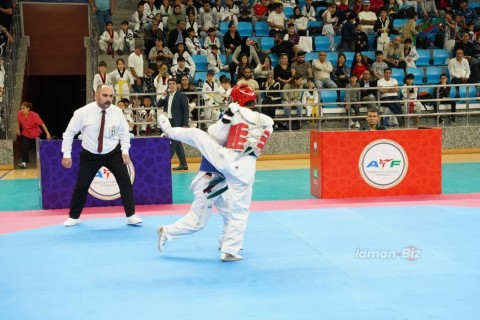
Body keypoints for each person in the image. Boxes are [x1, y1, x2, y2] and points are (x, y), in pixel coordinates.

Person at [156, 84, 274, 262]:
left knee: (198, 135)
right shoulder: (267, 123)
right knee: (238, 212)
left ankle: (168, 130)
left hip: (225, 163)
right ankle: (229, 249)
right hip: (242, 170)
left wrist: (227, 116)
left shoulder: (235, 114)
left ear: (235, 100)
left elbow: (214, 135)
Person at [61, 85, 141, 227]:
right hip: (90, 155)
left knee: (125, 182)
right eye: (105, 96)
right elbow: (69, 133)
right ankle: (74, 217)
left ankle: (131, 215)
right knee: (81, 186)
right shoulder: (82, 113)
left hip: (113, 153)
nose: (108, 99)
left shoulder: (117, 112)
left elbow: (124, 133)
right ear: (96, 95)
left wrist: (125, 151)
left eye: (111, 96)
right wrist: (66, 154)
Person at [157, 78, 189, 170]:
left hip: (177, 122)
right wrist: (163, 96)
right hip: (168, 122)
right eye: (169, 84)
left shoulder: (181, 95)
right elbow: (159, 105)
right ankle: (184, 164)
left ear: (176, 85)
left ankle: (164, 164)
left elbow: (185, 110)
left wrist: (185, 124)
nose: (171, 85)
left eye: (173, 83)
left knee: (172, 144)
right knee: (177, 143)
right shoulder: (166, 95)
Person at [16, 102, 51, 169]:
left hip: (35, 132)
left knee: (39, 147)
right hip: (26, 131)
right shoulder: (19, 114)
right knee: (24, 146)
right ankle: (24, 163)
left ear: (28, 109)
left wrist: (48, 133)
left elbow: (42, 125)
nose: (22, 110)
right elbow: (18, 121)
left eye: (24, 108)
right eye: (21, 108)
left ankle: (43, 162)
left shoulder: (35, 115)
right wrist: (18, 128)